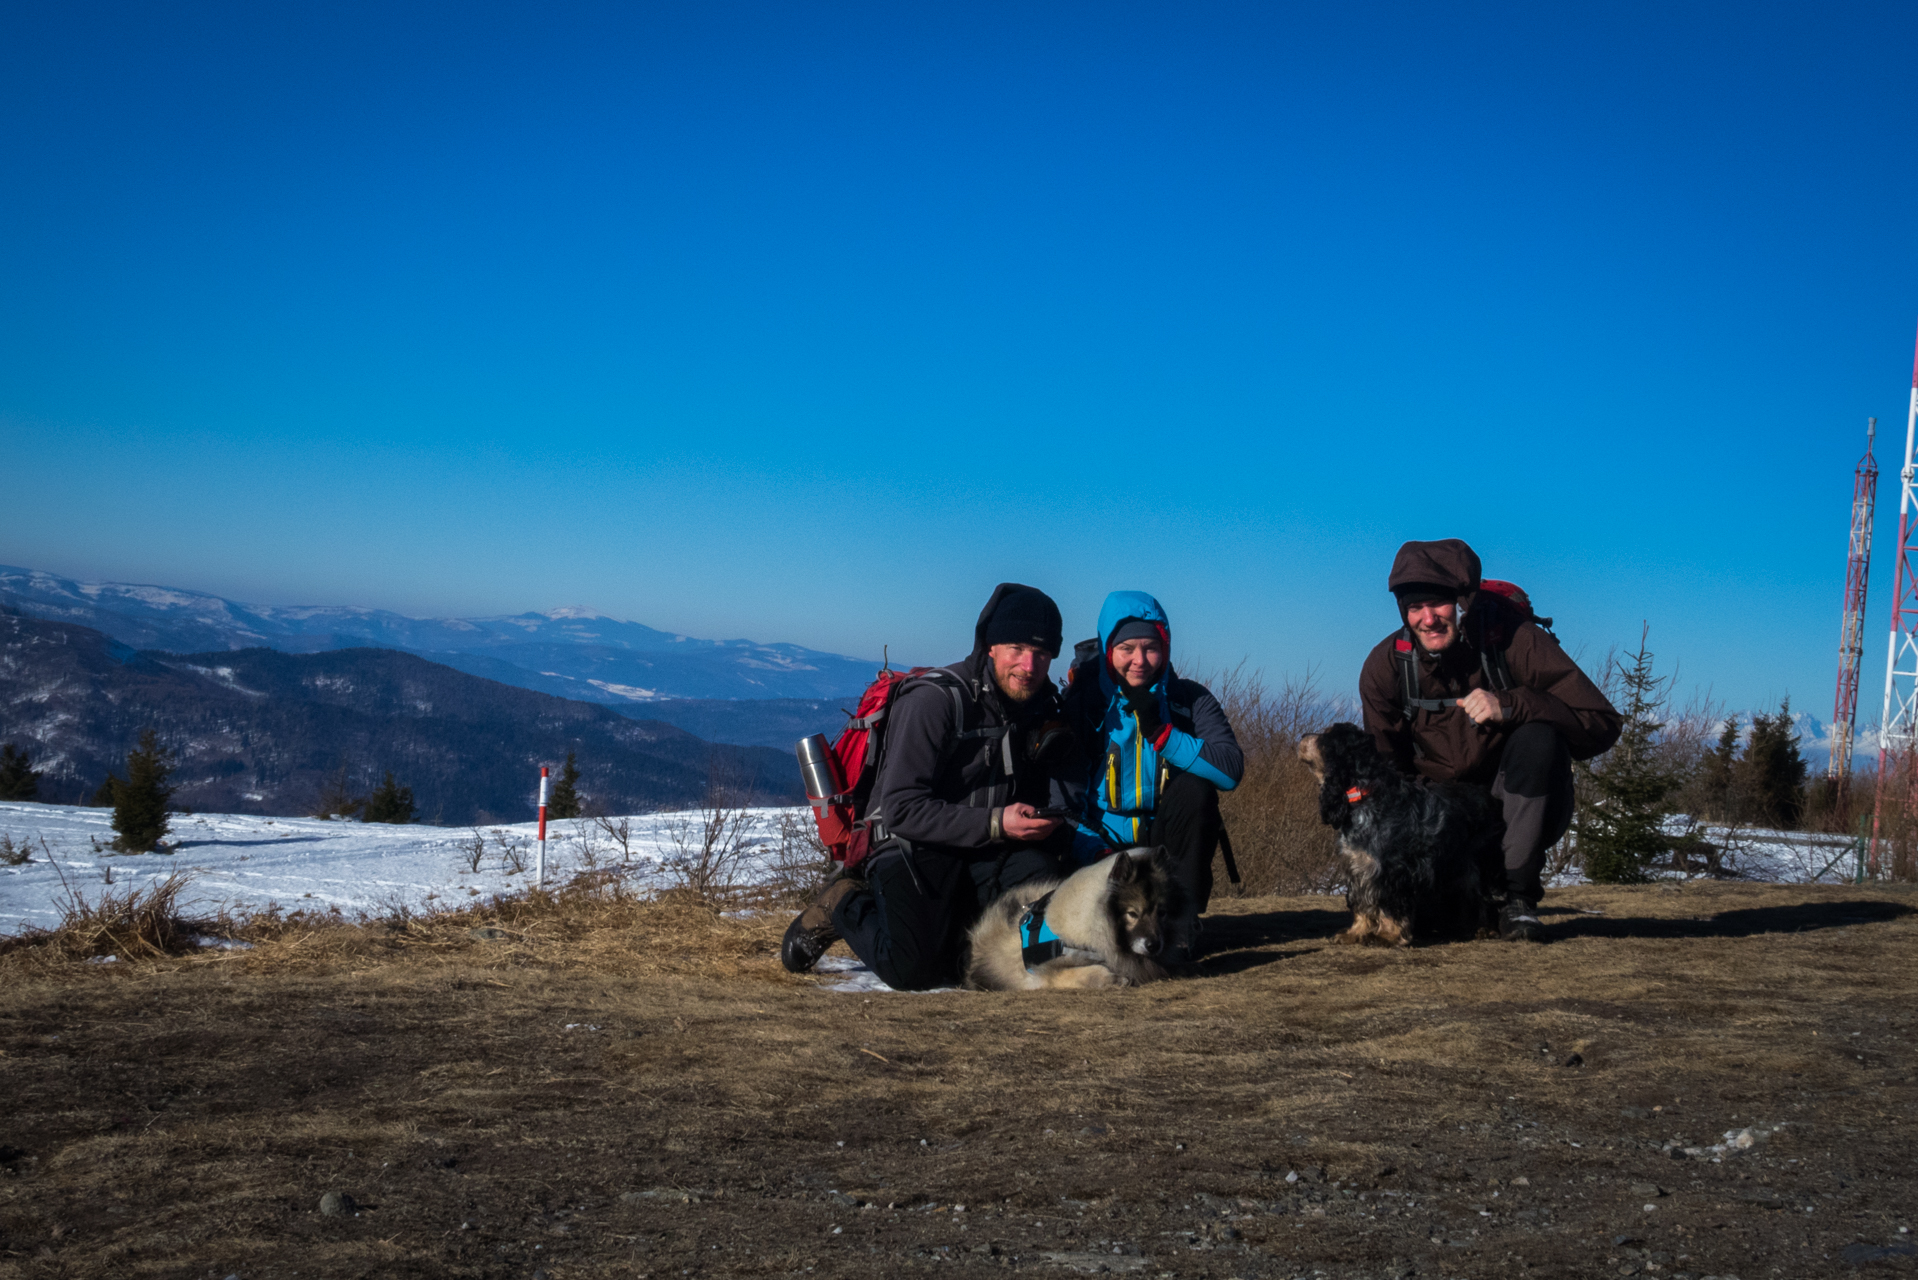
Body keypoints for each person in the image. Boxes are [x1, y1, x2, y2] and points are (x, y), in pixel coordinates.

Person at [779, 583, 1075, 990]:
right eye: (1017, 649)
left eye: (1041, 653)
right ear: (990, 646)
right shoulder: (935, 701)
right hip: (910, 844)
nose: (1029, 665)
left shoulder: (1038, 707)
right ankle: (844, 902)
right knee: (913, 969)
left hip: (982, 849)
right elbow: (900, 809)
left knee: (1027, 902)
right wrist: (996, 823)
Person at [1358, 539, 1622, 942]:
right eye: (1415, 607)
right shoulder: (1386, 666)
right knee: (1441, 924)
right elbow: (1386, 773)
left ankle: (1517, 900)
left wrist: (1512, 705)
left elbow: (1601, 723)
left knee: (1538, 738)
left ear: (1463, 602)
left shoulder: (1516, 640)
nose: (1428, 618)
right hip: (1439, 825)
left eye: (1439, 604)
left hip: (1515, 807)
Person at [1060, 591, 1242, 965]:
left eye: (1151, 647)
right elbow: (1063, 798)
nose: (1140, 660)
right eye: (1127, 648)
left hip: (1165, 854)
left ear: (1166, 647)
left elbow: (1229, 770)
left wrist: (1164, 735)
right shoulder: (1082, 704)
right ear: (1108, 648)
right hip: (1101, 848)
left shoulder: (1189, 700)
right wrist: (1100, 855)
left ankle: (1180, 927)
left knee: (1196, 789)